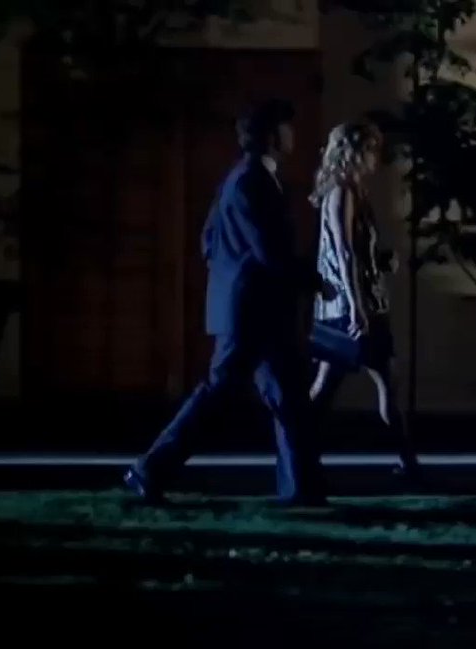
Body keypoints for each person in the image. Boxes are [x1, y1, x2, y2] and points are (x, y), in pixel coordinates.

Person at [124, 99, 327, 506]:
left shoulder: (242, 179)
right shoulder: (252, 181)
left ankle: (301, 489)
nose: (293, 135)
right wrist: (313, 280)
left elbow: (209, 239)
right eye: (286, 128)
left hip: (253, 308)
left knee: (286, 395)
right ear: (272, 136)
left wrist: (231, 271)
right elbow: (270, 251)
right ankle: (150, 469)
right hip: (252, 312)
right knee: (225, 393)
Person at [308, 121, 421, 482]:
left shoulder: (355, 191)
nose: (376, 156)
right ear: (354, 152)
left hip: (360, 303)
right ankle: (299, 455)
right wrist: (356, 304)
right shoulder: (342, 192)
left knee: (369, 381)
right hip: (349, 308)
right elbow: (342, 252)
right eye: (371, 148)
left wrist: (380, 261)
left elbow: (355, 250)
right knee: (335, 385)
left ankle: (407, 462)